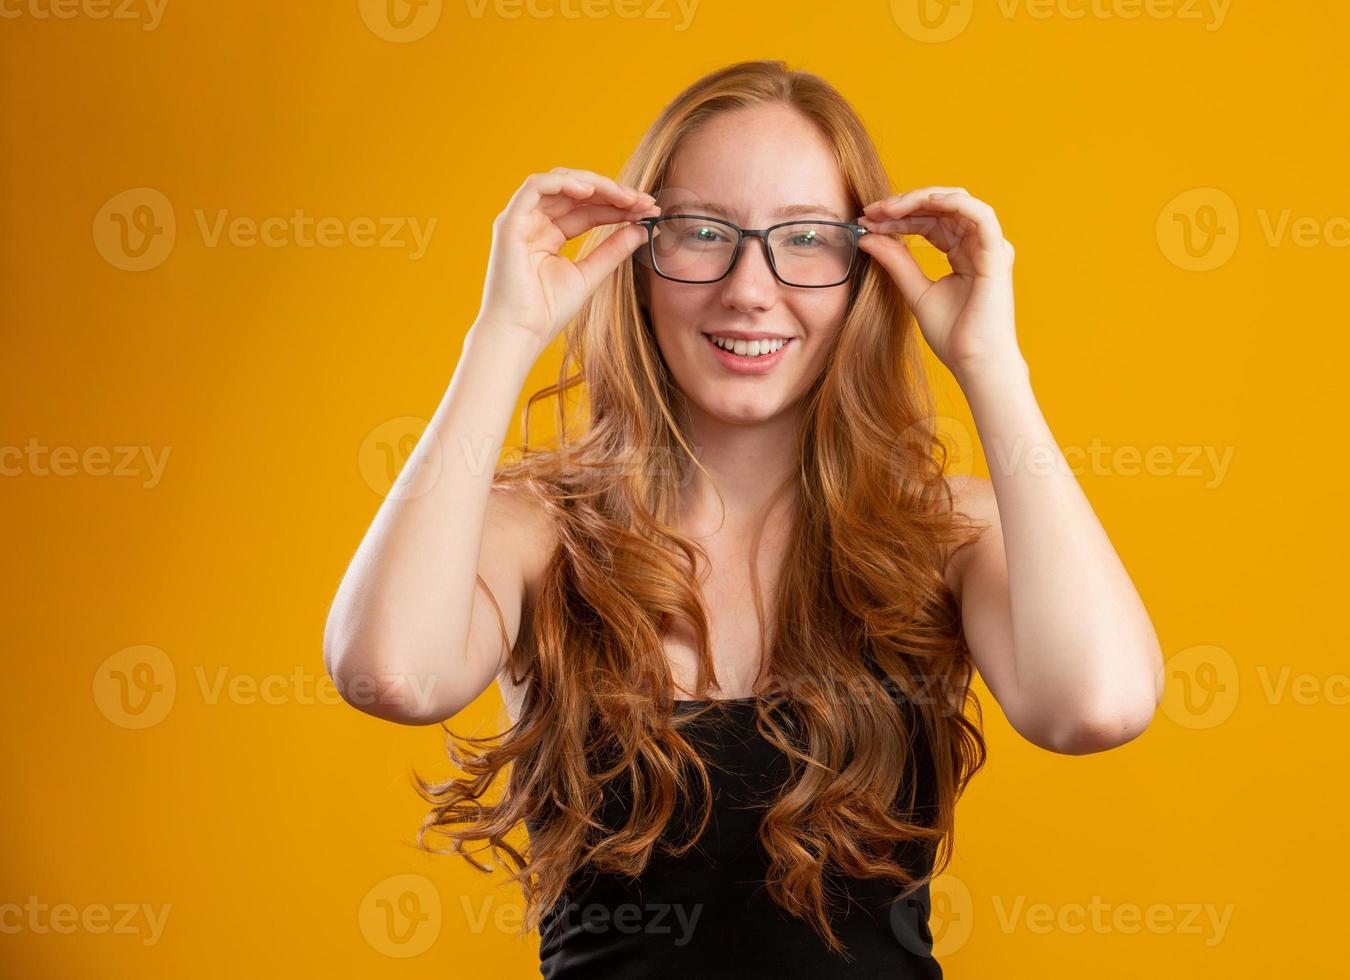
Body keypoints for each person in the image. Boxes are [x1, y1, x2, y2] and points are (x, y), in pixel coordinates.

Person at [323, 59, 1164, 978]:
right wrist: (505, 334)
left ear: (863, 269)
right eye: (701, 233)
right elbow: (389, 673)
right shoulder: (538, 533)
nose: (749, 289)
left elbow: (1096, 705)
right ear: (636, 259)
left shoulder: (945, 533)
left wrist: (990, 363)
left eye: (804, 238)